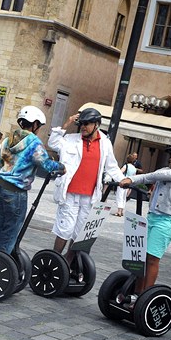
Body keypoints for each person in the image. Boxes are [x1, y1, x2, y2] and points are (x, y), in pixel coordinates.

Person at [47, 108, 125, 264]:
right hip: (69, 193)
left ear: (96, 124)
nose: (83, 127)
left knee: (79, 233)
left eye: (87, 124)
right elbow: (53, 143)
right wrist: (67, 123)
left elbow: (112, 167)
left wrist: (125, 180)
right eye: (81, 123)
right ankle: (53, 261)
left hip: (90, 196)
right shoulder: (70, 139)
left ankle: (67, 265)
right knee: (65, 229)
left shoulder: (105, 143)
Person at [118, 142, 171, 297]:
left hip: (166, 221)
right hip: (152, 218)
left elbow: (154, 176)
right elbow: (155, 175)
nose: (170, 159)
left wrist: (131, 180)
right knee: (141, 258)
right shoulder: (167, 170)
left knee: (152, 259)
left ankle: (145, 296)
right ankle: (136, 293)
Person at [0, 106, 65, 254]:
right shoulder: (34, 143)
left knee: (3, 226)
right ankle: (0, 265)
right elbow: (46, 164)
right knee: (11, 230)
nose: (39, 129)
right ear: (35, 123)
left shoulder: (8, 139)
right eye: (39, 126)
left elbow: (0, 164)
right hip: (16, 192)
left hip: (2, 187)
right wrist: (61, 167)